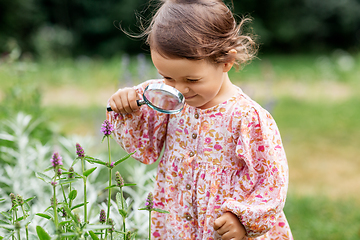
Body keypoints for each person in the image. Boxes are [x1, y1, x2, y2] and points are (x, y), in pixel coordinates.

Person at [107, 0, 293, 239]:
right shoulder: (165, 98)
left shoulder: (246, 117)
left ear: (226, 61)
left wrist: (243, 220)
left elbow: (270, 181)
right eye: (167, 77)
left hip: (224, 230)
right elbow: (145, 150)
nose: (180, 89)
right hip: (176, 223)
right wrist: (128, 109)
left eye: (192, 80)